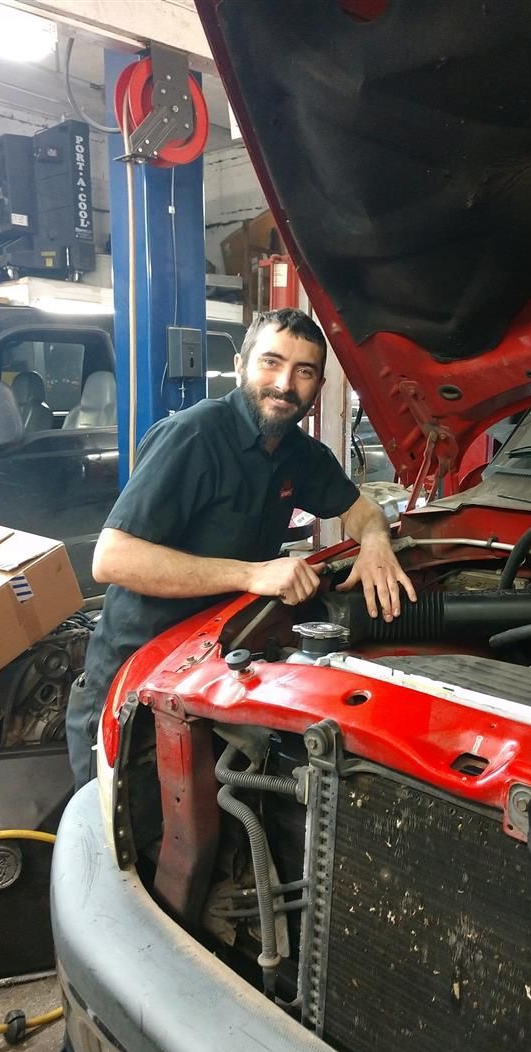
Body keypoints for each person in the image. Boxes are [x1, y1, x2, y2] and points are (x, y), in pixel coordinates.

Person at [64, 307, 416, 791]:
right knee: (122, 843)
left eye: (304, 371)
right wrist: (251, 574)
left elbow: (362, 510)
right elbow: (111, 559)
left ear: (317, 386)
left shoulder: (298, 452)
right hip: (133, 687)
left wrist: (375, 541)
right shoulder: (193, 436)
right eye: (271, 363)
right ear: (240, 365)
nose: (285, 384)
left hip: (213, 672)